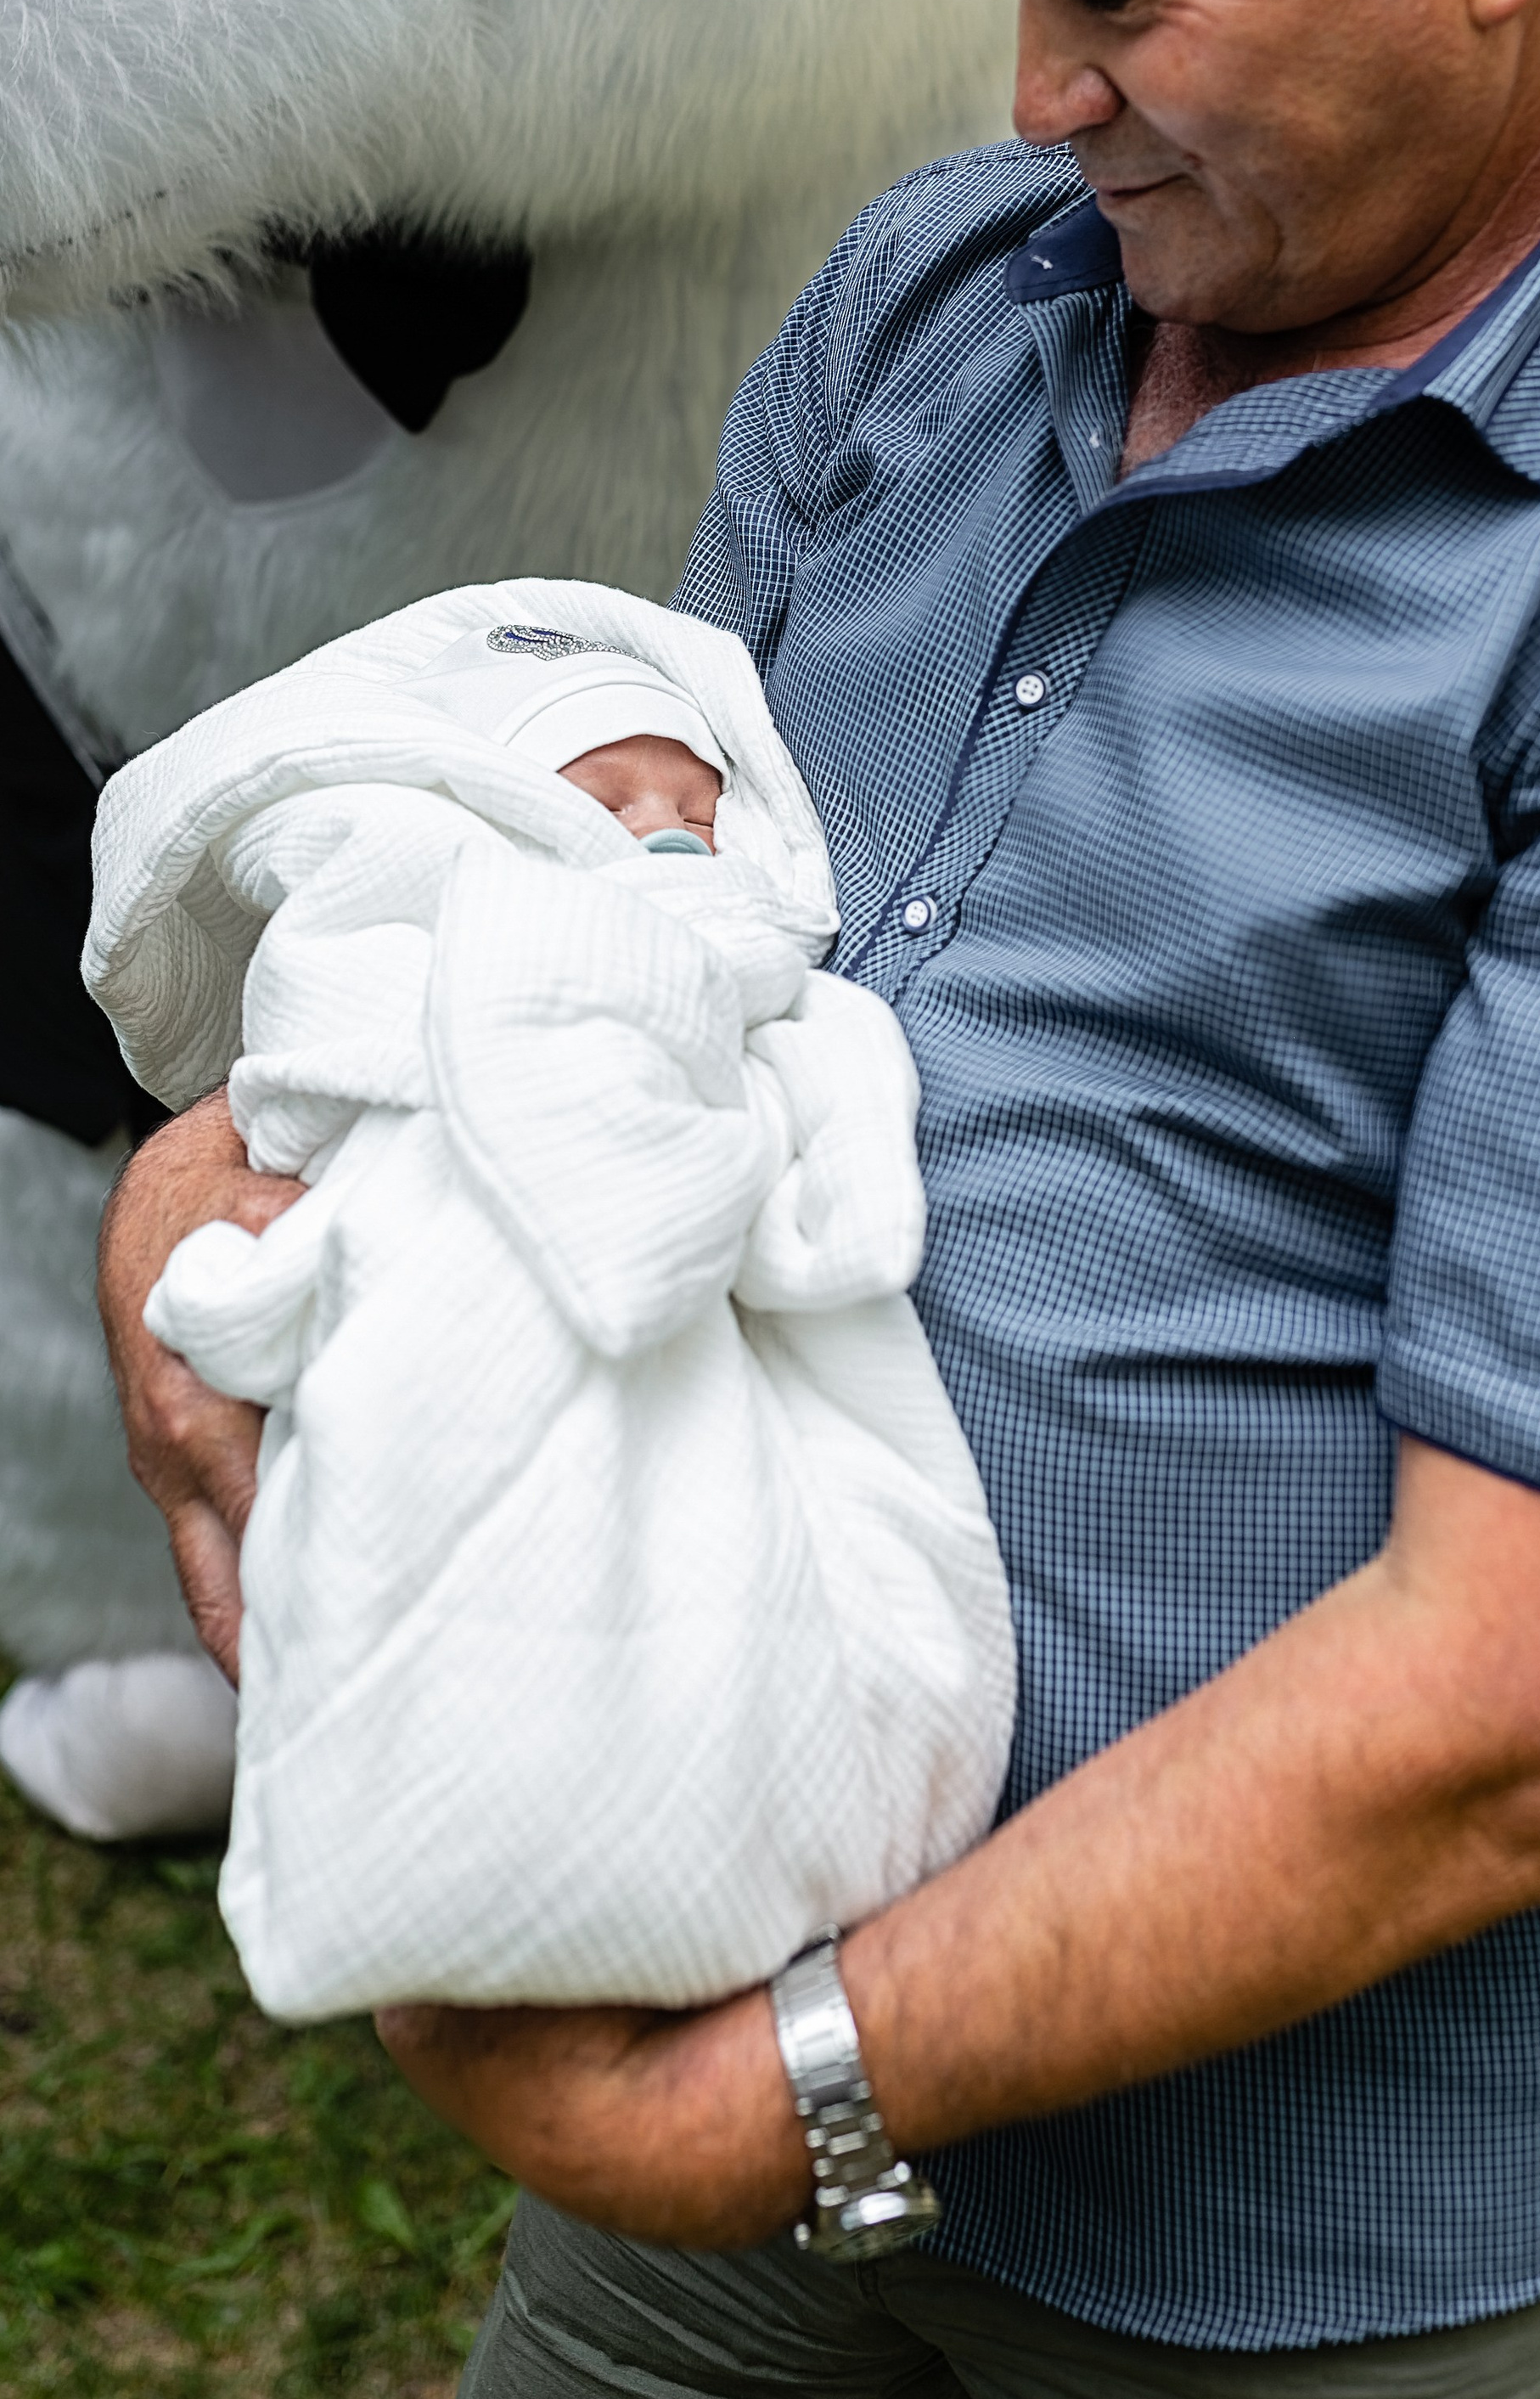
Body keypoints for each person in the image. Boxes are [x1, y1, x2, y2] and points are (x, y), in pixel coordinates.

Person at [97, 0, 1540, 2399]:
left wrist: (772, 2103)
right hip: (730, 1940)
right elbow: (607, 903)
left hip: (1308, 2236)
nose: (1035, 93)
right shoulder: (938, 296)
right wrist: (206, 1191)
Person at [77, 587, 1014, 2024]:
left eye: (695, 813)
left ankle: (733, 1794)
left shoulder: (774, 978)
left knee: (709, 1535)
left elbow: (820, 1172)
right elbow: (329, 1060)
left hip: (705, 1329)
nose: (662, 843)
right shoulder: (416, 932)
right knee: (460, 1492)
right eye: (605, 805)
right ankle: (462, 1790)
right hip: (457, 1225)